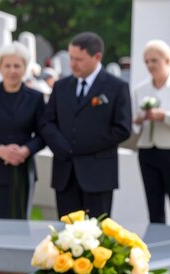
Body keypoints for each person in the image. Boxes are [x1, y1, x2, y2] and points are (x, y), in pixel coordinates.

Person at [39, 32, 132, 219]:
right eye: (71, 58)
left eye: (79, 59)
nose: (72, 64)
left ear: (97, 57)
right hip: (65, 173)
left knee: (97, 237)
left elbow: (122, 128)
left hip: (98, 175)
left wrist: (81, 146)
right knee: (66, 236)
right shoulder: (61, 86)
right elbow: (46, 121)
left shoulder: (116, 87)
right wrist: (61, 146)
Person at [0, 42, 45, 219]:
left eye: (17, 66)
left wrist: (25, 150)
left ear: (25, 68)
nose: (12, 70)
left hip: (21, 169)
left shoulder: (35, 98)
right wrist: (1, 150)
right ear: (0, 68)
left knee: (17, 224)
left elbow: (43, 134)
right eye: (8, 66)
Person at [133, 40, 170, 223]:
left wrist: (164, 116)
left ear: (167, 60)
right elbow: (133, 125)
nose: (150, 65)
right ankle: (158, 247)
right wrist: (138, 120)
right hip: (147, 151)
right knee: (154, 207)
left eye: (155, 61)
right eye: (147, 62)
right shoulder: (140, 89)